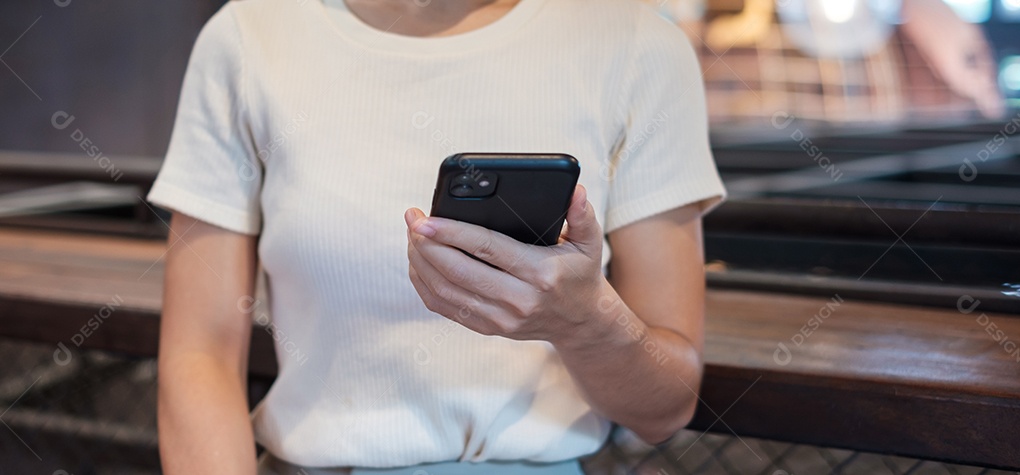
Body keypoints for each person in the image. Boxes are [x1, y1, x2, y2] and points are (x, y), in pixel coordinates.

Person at [149, 0, 726, 473]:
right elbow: (198, 357)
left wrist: (585, 323)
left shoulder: (638, 45)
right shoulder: (250, 39)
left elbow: (666, 408)